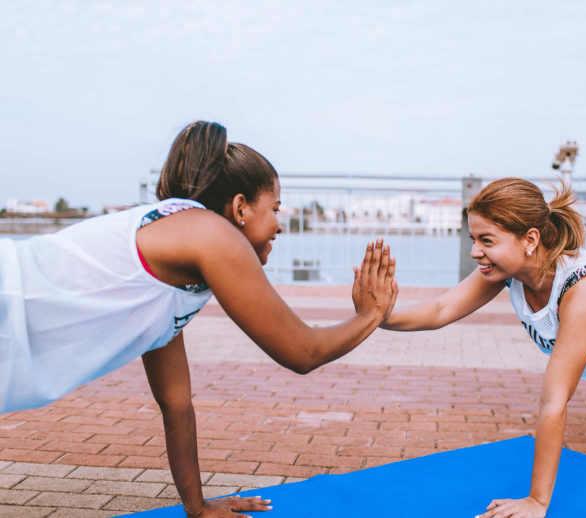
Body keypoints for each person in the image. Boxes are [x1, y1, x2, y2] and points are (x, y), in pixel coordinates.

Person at [0, 120, 398, 518]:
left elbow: (176, 403)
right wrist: (371, 314)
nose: (280, 225)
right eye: (275, 208)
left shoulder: (175, 261)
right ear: (240, 208)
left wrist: (197, 507)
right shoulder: (209, 234)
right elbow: (302, 352)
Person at [380, 177, 586, 518]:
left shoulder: (583, 291)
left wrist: (538, 502)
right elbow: (442, 309)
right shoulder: (507, 270)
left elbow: (554, 400)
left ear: (530, 240)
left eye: (486, 240)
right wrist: (378, 315)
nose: (474, 252)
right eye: (473, 239)